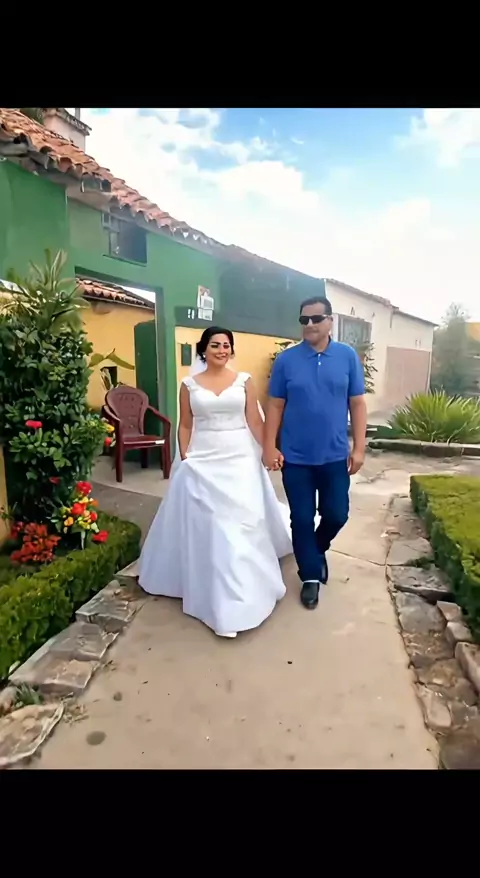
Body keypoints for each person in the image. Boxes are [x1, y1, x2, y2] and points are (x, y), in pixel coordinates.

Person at [138, 326, 292, 638]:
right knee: (213, 523)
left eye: (226, 345)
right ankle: (213, 589)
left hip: (240, 456)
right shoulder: (188, 385)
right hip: (204, 457)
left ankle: (242, 594)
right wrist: (185, 455)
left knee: (241, 521)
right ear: (203, 350)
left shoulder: (244, 381)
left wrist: (268, 449)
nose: (221, 350)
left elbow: (254, 420)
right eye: (215, 345)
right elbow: (186, 424)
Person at [263, 296, 367, 611]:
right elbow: (275, 405)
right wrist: (269, 445)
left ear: (330, 321)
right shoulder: (287, 360)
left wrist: (359, 447)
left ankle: (315, 550)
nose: (309, 325)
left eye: (316, 319)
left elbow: (357, 404)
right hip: (295, 458)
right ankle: (310, 576)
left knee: (337, 514)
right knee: (302, 518)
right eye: (304, 320)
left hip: (335, 456)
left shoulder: (347, 357)